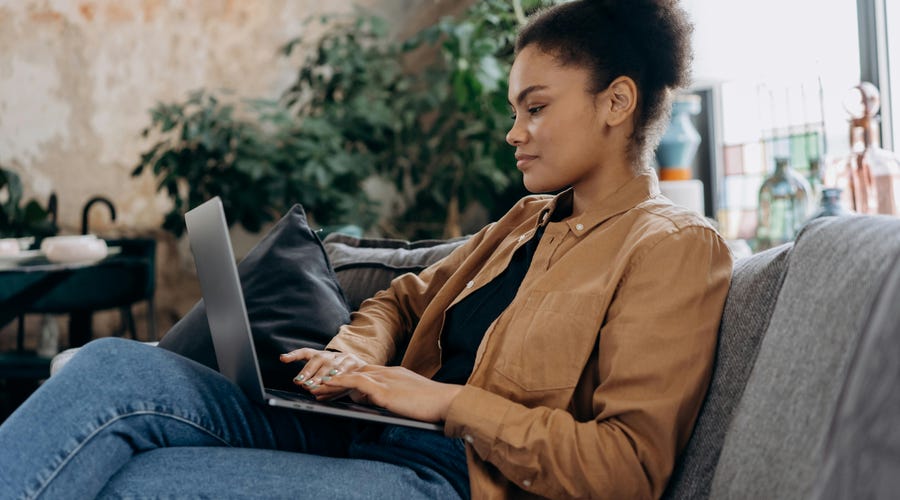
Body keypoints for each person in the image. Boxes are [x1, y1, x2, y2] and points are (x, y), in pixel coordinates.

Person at [0, 1, 732, 498]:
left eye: (535, 107)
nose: (514, 132)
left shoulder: (670, 248)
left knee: (131, 480)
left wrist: (442, 400)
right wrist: (357, 354)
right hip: (358, 434)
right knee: (107, 368)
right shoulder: (523, 224)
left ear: (617, 102)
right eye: (514, 111)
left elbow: (628, 468)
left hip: (441, 480)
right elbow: (401, 296)